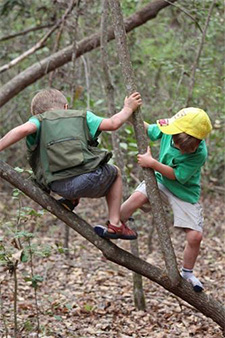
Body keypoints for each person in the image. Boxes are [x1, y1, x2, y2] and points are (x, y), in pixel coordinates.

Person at [0, 88, 142, 240]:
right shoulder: (82, 116)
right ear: (66, 107)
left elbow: (22, 130)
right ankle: (115, 223)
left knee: (67, 169)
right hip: (89, 180)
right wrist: (128, 107)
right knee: (115, 172)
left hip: (58, 186)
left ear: (36, 113)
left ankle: (71, 200)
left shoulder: (39, 121)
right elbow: (114, 123)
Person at [120, 107, 212, 291]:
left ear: (197, 143)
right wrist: (129, 115)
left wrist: (152, 163)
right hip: (160, 182)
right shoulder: (170, 128)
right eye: (177, 144)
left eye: (185, 149)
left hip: (184, 192)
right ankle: (116, 222)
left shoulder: (200, 154)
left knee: (195, 236)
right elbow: (147, 128)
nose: (179, 149)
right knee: (135, 199)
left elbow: (177, 176)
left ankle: (188, 273)